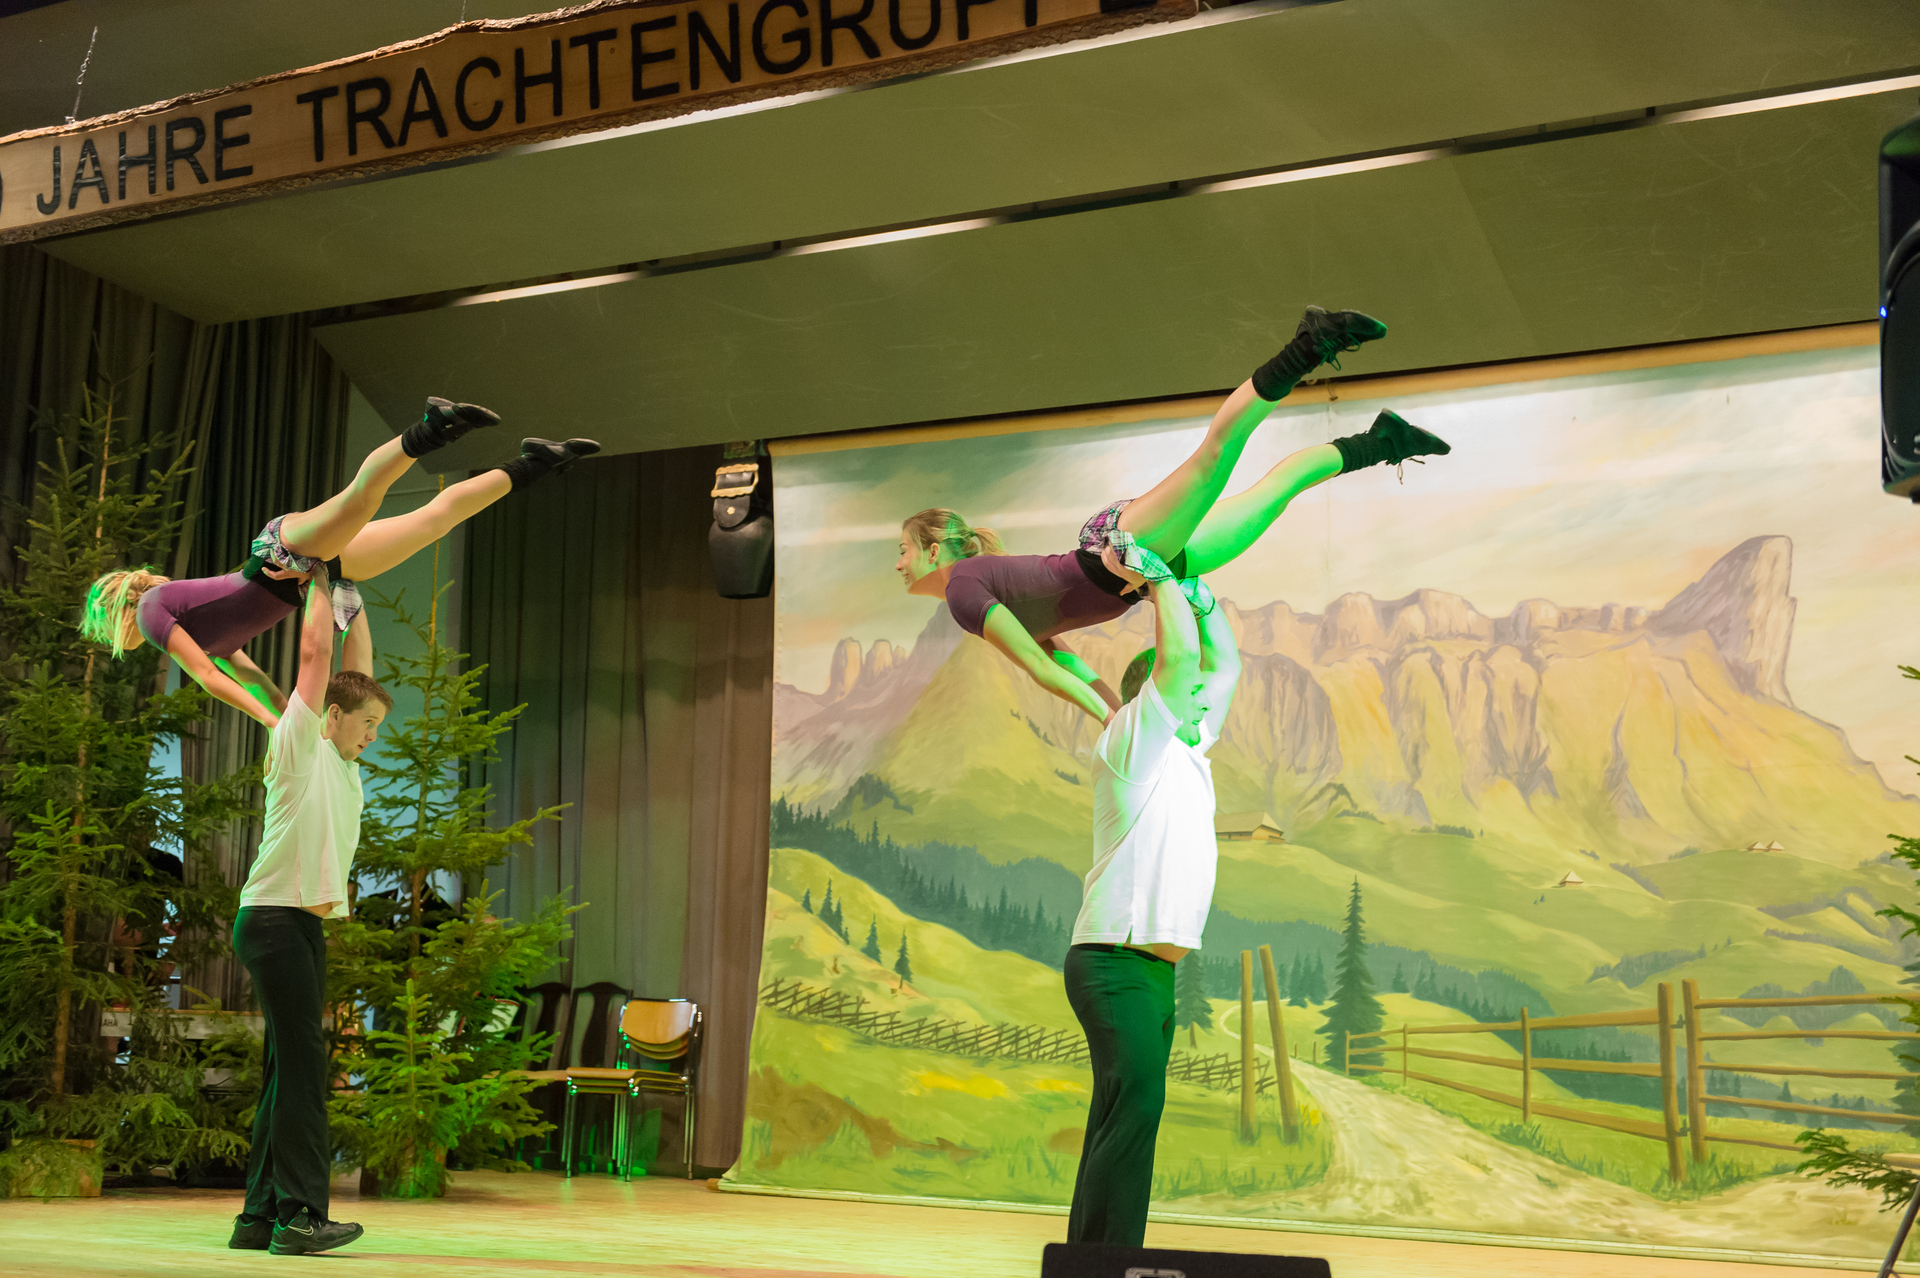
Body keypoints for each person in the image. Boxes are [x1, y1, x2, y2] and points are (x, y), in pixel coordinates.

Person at [893, 307, 1449, 722]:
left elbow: (1041, 671)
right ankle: (1383, 441)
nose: (897, 565)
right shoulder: (975, 594)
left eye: (902, 550)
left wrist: (1111, 724)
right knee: (1279, 491)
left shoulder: (962, 589)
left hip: (1118, 547)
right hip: (1145, 569)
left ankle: (1309, 344)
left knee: (1214, 457)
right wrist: (1120, 719)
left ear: (934, 551)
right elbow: (1063, 663)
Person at [81, 397, 598, 728]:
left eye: (105, 636)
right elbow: (252, 679)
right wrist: (294, 725)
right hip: (311, 574)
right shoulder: (204, 638)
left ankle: (434, 425)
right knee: (432, 523)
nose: (114, 647)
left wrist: (273, 727)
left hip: (279, 554)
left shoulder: (151, 612)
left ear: (115, 615)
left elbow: (209, 682)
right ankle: (536, 463)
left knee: (360, 499)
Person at [1064, 564, 1239, 1247]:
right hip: (1115, 964)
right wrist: (1162, 580)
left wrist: (1204, 598)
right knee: (1134, 1113)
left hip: (1152, 972)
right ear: (1155, 701)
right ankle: (1110, 1263)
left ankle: (1087, 1259)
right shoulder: (1132, 747)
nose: (1204, 700)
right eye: (1190, 694)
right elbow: (1184, 661)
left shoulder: (1191, 755)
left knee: (1122, 1117)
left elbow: (1224, 666)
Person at [226, 562, 386, 1256]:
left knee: (285, 1068)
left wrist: (349, 591)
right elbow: (318, 658)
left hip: (294, 925)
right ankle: (299, 1217)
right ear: (331, 719)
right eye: (366, 725)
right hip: (275, 921)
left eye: (378, 726)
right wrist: (316, 575)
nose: (372, 735)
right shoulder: (300, 748)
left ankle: (258, 1217)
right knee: (304, 1070)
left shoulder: (344, 765)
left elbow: (357, 671)